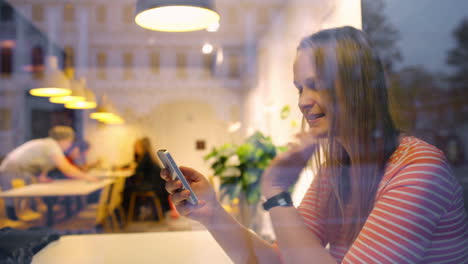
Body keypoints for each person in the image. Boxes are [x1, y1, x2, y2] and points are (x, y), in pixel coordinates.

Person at [162, 26, 468, 263]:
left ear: (356, 86)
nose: (304, 102)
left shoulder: (417, 170)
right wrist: (212, 213)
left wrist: (277, 191)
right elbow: (282, 259)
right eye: (299, 89)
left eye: (317, 85)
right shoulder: (337, 171)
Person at [0, 126, 98, 218]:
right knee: (13, 204)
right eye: (70, 142)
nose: (70, 145)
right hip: (12, 170)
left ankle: (26, 230)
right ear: (66, 140)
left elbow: (39, 163)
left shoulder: (48, 144)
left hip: (19, 170)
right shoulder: (52, 145)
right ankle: (14, 232)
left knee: (21, 203)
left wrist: (41, 176)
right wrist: (88, 177)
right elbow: (66, 169)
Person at [123, 137, 170, 219]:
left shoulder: (145, 157)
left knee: (127, 188)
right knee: (129, 185)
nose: (135, 149)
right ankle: (133, 212)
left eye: (137, 147)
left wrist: (134, 167)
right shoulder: (148, 156)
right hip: (157, 185)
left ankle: (128, 214)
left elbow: (138, 172)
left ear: (142, 147)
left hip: (152, 185)